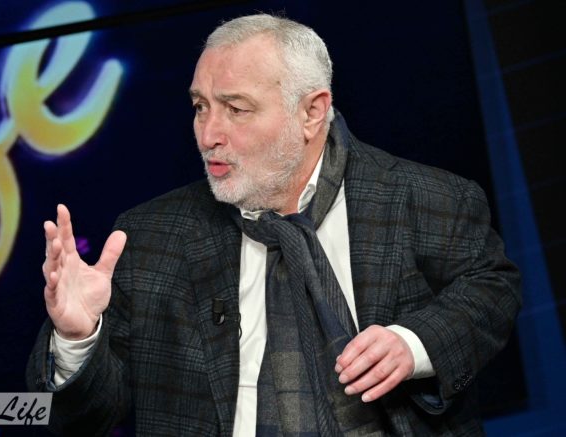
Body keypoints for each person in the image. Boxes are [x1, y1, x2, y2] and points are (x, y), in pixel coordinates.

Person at [27, 14, 521, 436]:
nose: (209, 134)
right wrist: (77, 338)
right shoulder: (151, 237)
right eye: (201, 107)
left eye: (236, 109)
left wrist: (414, 345)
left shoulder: (426, 198)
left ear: (312, 112)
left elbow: (492, 289)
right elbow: (79, 418)